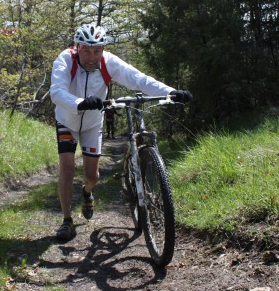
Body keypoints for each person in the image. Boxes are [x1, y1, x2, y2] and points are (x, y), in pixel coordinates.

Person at [49, 23, 193, 240]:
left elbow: (138, 79)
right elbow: (57, 91)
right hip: (67, 120)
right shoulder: (65, 60)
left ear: (103, 49)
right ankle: (67, 220)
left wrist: (171, 92)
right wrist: (79, 102)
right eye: (86, 50)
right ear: (77, 47)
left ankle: (87, 193)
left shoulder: (108, 62)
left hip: (92, 124)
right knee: (67, 169)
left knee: (92, 176)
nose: (91, 56)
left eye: (97, 50)